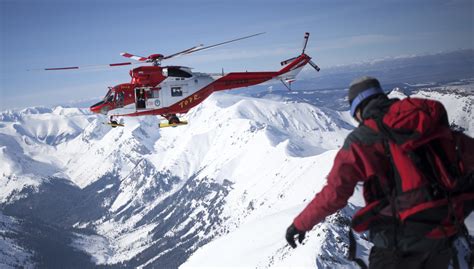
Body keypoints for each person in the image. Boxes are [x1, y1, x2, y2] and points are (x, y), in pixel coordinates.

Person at [285, 76, 474, 269]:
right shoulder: (426, 122)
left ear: (358, 109)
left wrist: (300, 224)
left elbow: (335, 193)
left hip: (396, 241)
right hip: (443, 232)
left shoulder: (361, 140)